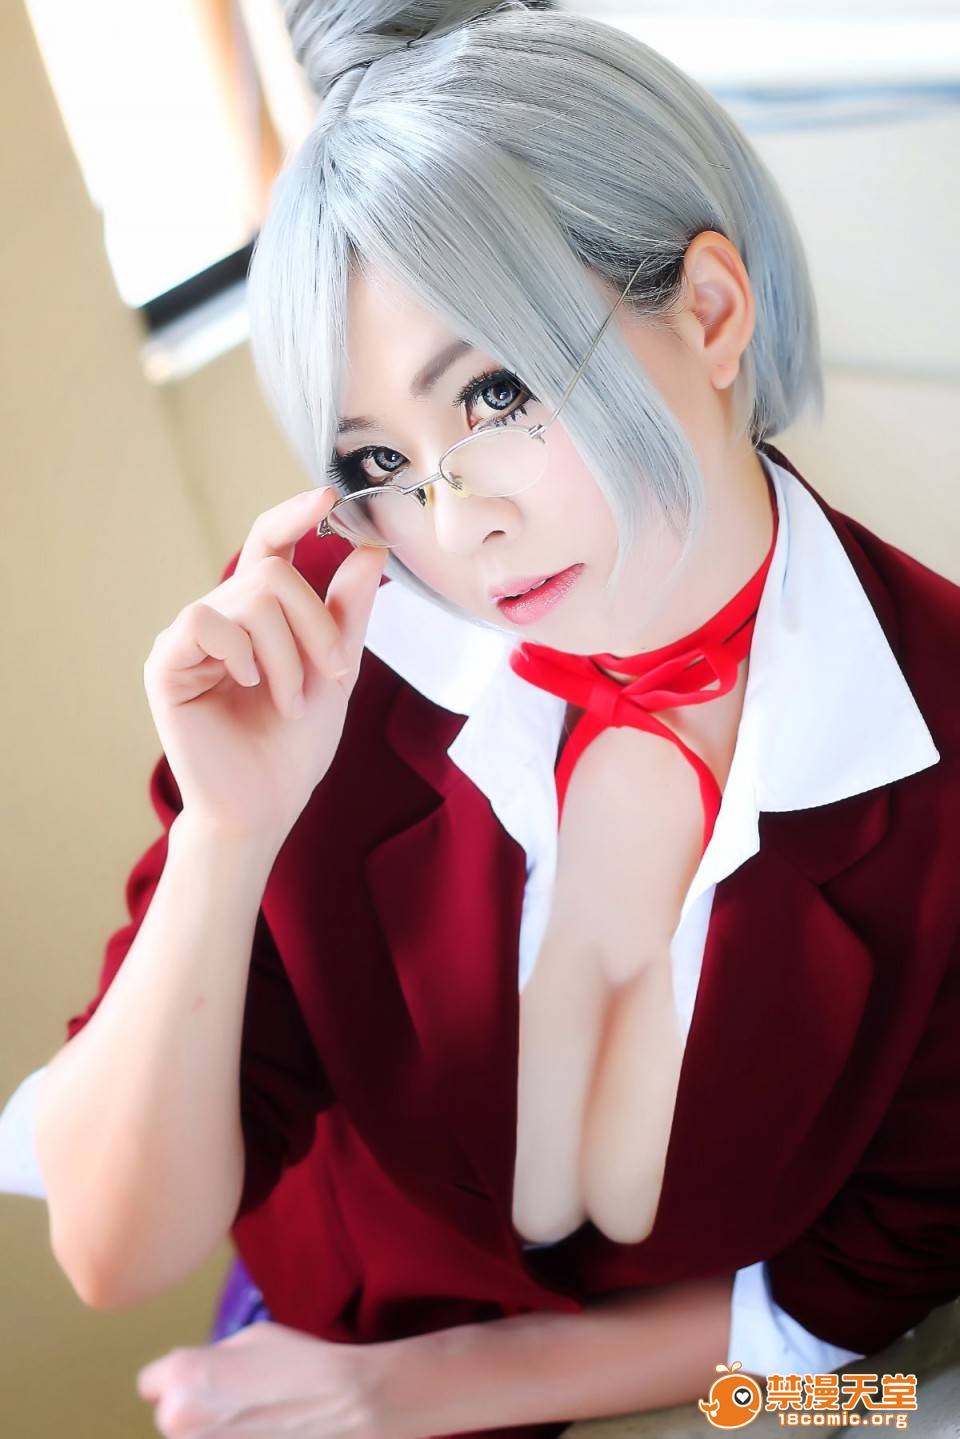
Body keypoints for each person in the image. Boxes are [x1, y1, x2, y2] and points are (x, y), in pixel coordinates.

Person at [4, 1, 958, 1436]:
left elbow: (867, 1305)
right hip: (295, 1364)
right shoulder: (330, 652)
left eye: (497, 393)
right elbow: (112, 1252)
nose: (456, 524)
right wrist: (227, 835)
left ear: (709, 311)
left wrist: (408, 1396)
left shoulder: (941, 754)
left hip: (701, 1403)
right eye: (376, 461)